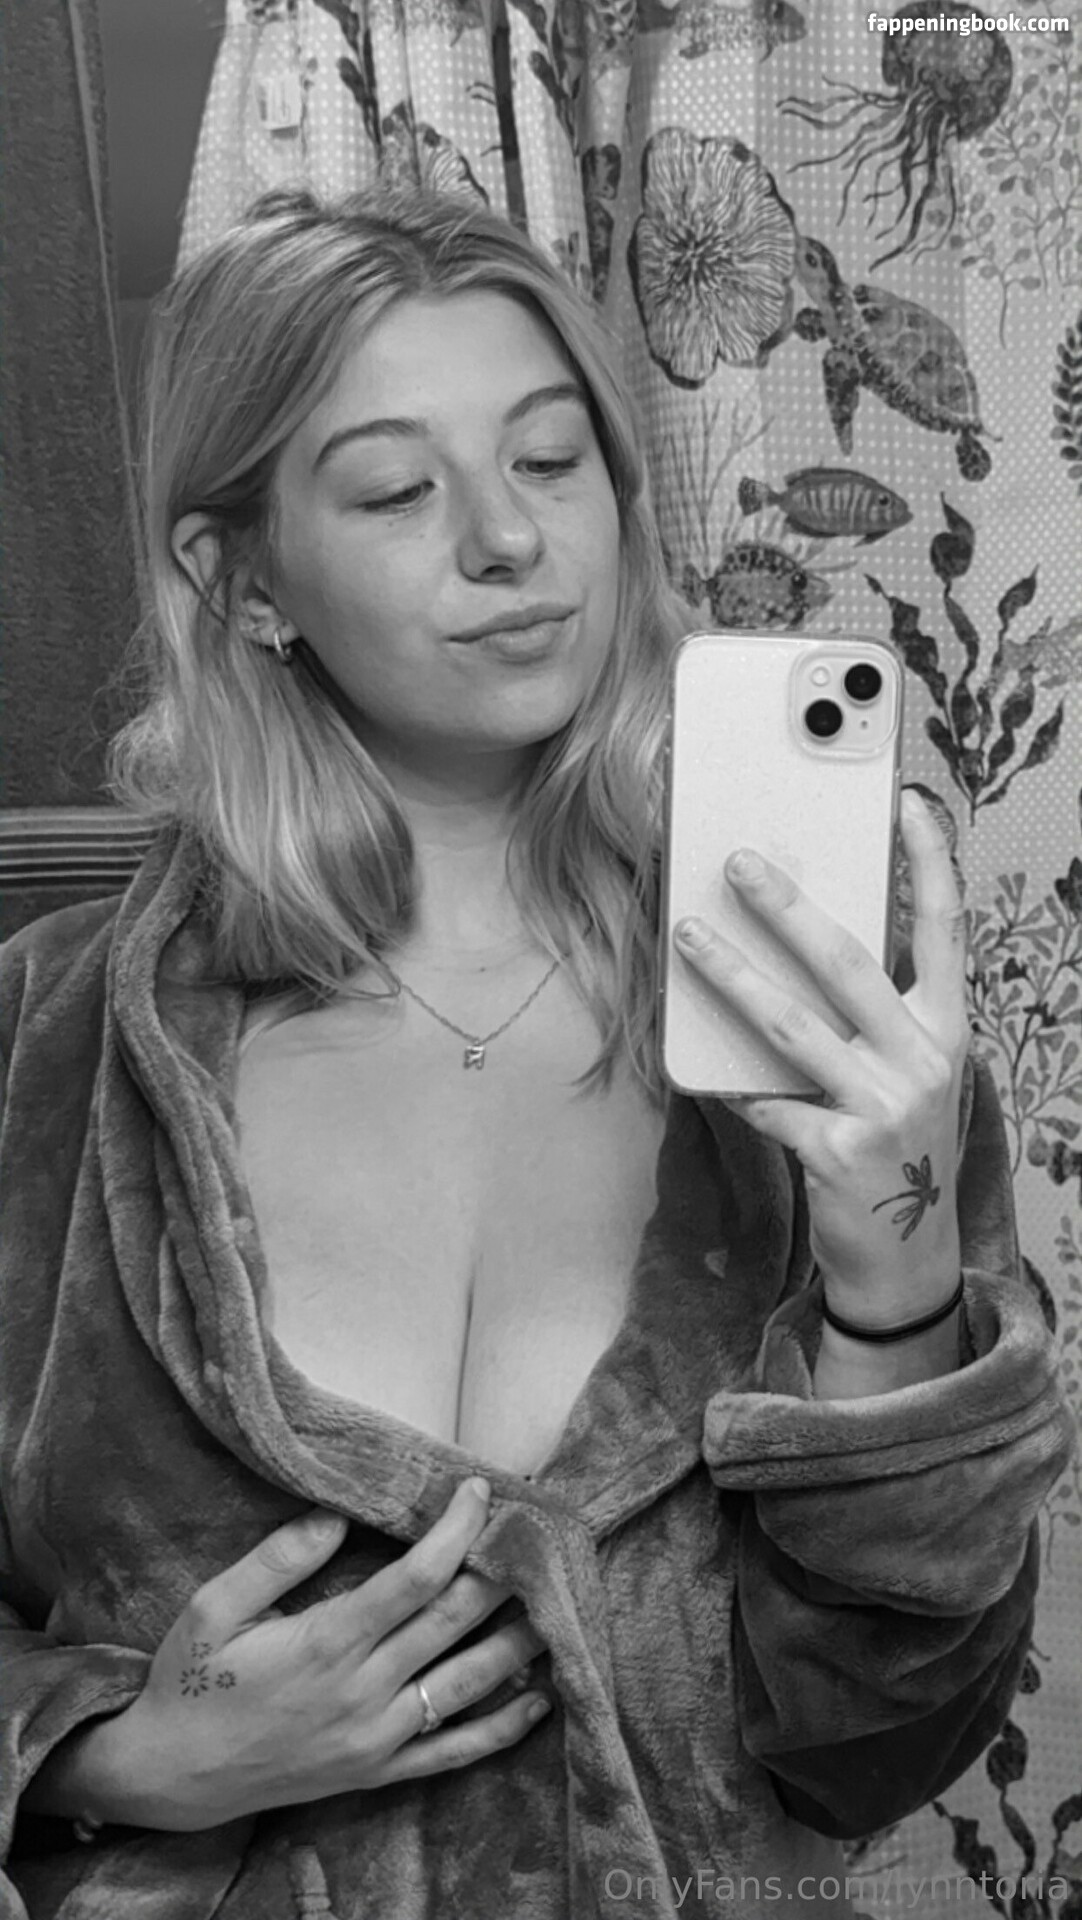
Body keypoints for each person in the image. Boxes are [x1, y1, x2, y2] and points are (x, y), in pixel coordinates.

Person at [0, 185, 1073, 1920]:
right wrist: (115, 1759)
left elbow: (881, 1747)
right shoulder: (49, 1048)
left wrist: (896, 1291)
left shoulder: (829, 1014)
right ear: (241, 580)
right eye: (395, 490)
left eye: (550, 460)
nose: (507, 538)